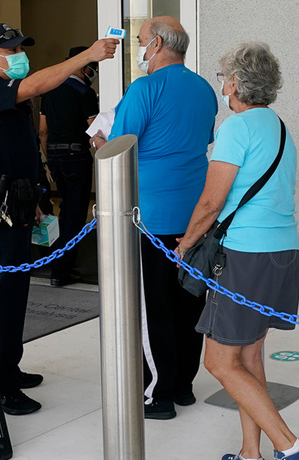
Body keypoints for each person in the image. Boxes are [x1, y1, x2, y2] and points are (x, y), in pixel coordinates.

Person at [175, 42, 299, 460]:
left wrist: (185, 243)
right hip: (283, 254)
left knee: (219, 363)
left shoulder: (235, 127)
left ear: (235, 82)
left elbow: (210, 203)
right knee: (249, 354)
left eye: (223, 78)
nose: (222, 85)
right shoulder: (278, 125)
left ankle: (292, 448)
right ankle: (250, 454)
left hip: (244, 257)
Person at [0, 23, 117, 416]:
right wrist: (86, 57)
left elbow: (21, 147)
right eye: (10, 50)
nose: (18, 54)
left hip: (17, 200)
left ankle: (9, 367)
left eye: (20, 47)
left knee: (17, 292)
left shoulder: (2, 93)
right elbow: (34, 85)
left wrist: (34, 194)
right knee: (2, 295)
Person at [91, 16, 217, 420]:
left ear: (158, 43)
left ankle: (157, 393)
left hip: (152, 218)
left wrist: (96, 139)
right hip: (195, 217)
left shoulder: (143, 88)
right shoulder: (204, 88)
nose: (140, 50)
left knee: (154, 306)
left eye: (142, 41)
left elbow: (119, 146)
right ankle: (183, 386)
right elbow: (201, 140)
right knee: (188, 301)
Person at [39, 46, 99, 287]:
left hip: (54, 154)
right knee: (74, 214)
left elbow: (43, 131)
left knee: (64, 210)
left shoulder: (49, 89)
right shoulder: (84, 92)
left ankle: (56, 261)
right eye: (93, 67)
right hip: (76, 156)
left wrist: (49, 159)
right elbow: (95, 129)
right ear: (84, 66)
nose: (93, 72)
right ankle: (62, 271)